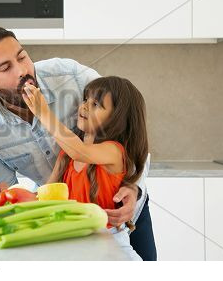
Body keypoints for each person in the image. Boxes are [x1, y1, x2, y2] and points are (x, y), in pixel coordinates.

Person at [0, 25, 157, 260]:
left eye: (22, 57)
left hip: (121, 216)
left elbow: (130, 131)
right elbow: (8, 189)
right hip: (70, 226)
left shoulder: (71, 75)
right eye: (6, 67)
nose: (22, 70)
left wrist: (133, 186)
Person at [22, 76, 148, 260]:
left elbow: (79, 151)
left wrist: (43, 113)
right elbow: (43, 196)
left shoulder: (114, 151)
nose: (85, 106)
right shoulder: (66, 154)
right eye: (85, 99)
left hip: (110, 242)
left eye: (96, 104)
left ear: (117, 118)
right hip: (75, 240)